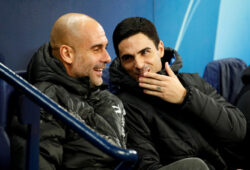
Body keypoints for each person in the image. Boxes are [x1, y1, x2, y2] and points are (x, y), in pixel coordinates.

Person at [109, 17, 247, 170]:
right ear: (121, 63)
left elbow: (238, 131)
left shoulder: (193, 81)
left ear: (160, 49)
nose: (139, 64)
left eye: (145, 52)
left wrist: (185, 97)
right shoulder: (124, 106)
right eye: (128, 58)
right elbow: (147, 166)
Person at [26, 13, 127, 170]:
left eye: (105, 48)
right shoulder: (44, 100)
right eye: (96, 49)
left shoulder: (104, 96)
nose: (108, 58)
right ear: (67, 54)